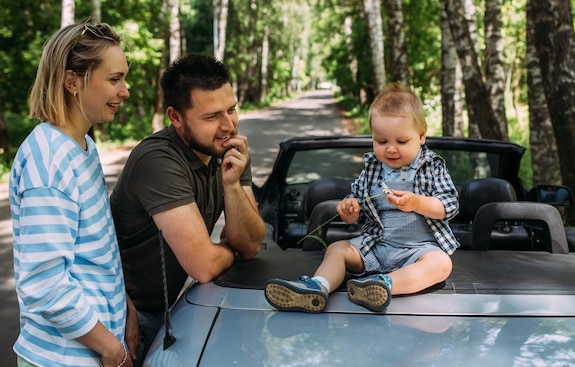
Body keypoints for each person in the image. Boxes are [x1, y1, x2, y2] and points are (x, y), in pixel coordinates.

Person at [110, 54, 266, 365]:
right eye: (211, 117)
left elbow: (250, 243)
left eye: (232, 110)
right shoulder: (158, 161)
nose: (228, 125)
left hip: (174, 306)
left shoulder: (227, 148)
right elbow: (204, 266)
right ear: (176, 117)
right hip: (125, 314)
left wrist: (233, 186)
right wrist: (227, 251)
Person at [265, 83, 459, 313]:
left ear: (422, 135)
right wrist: (348, 209)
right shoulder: (373, 169)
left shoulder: (433, 167)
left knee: (441, 264)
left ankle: (384, 285)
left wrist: (417, 202)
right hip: (376, 248)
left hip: (419, 250)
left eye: (402, 141)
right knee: (337, 249)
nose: (391, 149)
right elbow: (355, 206)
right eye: (382, 141)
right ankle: (318, 286)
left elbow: (449, 205)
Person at [9, 23, 132, 367]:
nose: (125, 91)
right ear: (72, 81)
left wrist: (124, 310)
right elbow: (45, 283)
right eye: (114, 79)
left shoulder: (84, 147)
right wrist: (111, 348)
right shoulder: (49, 159)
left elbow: (95, 252)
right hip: (60, 358)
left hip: (91, 349)